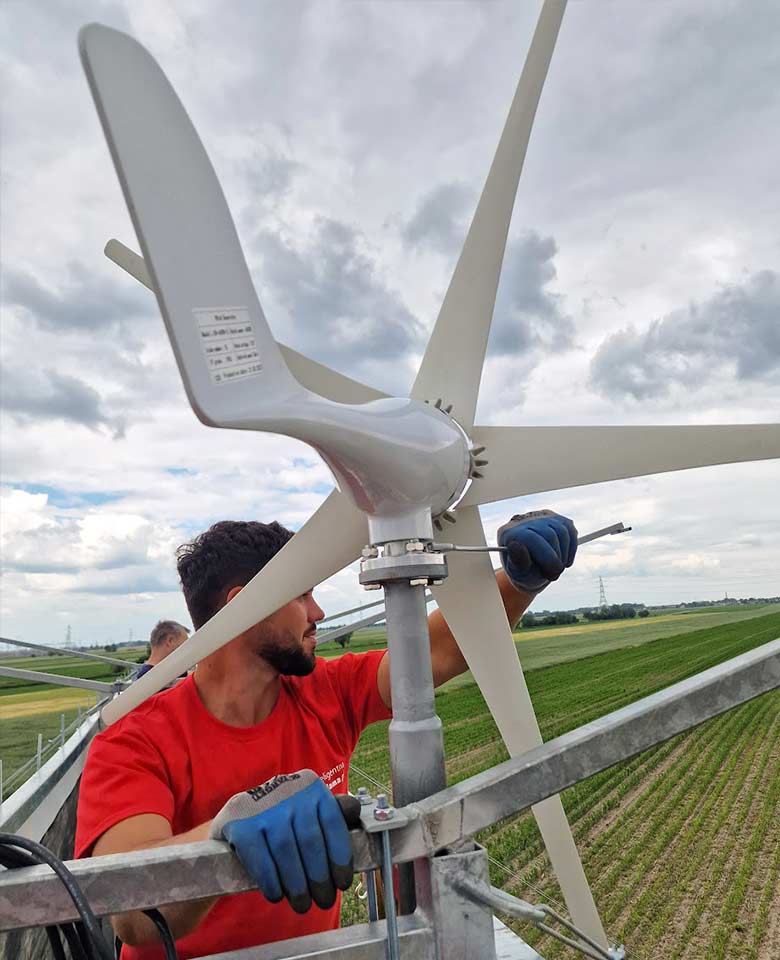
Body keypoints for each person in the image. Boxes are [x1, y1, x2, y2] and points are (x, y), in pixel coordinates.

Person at [75, 511, 577, 959]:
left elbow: (439, 653)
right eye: (303, 594)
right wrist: (220, 833)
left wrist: (518, 580)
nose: (318, 614)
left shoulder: (325, 693)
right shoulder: (133, 739)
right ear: (245, 605)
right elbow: (134, 916)